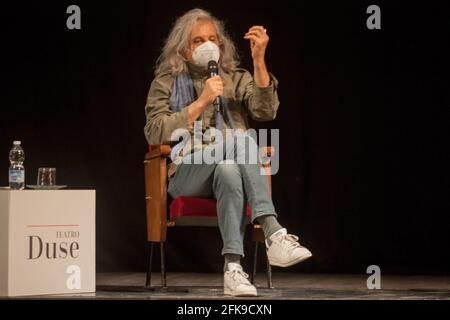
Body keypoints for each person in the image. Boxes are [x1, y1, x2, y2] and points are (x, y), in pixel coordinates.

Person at [144, 8, 312, 297]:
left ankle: (233, 268)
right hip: (188, 170)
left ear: (221, 46)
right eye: (198, 40)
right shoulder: (167, 81)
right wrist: (202, 101)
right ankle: (273, 231)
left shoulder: (235, 77)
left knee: (229, 169)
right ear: (184, 49)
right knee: (243, 138)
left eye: (212, 38)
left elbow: (265, 110)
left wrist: (259, 61)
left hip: (228, 169)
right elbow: (155, 130)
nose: (207, 45)